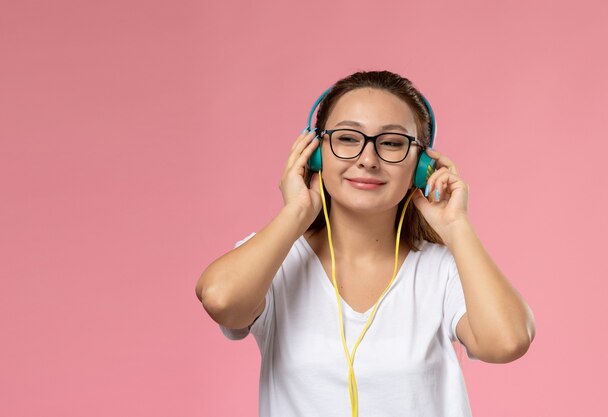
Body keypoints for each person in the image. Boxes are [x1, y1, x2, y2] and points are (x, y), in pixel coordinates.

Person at [195, 70, 535, 417]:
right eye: (347, 138)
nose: (368, 159)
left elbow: (507, 342)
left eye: (391, 143)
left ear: (421, 165)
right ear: (314, 152)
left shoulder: (443, 269)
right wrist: (295, 212)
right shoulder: (276, 260)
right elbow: (221, 299)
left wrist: (457, 226)